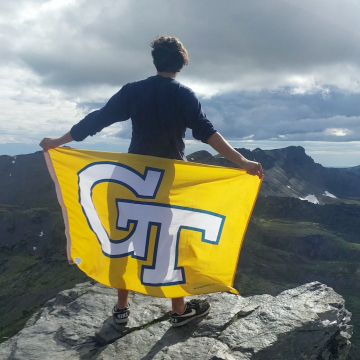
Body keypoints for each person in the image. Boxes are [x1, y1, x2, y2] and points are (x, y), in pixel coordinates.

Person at [40, 35, 263, 327]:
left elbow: (97, 120)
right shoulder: (184, 95)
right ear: (181, 63)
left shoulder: (133, 91)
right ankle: (178, 311)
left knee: (124, 236)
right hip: (167, 179)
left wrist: (58, 141)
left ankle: (121, 309)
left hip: (131, 176)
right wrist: (242, 162)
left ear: (155, 60)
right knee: (170, 240)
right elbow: (207, 133)